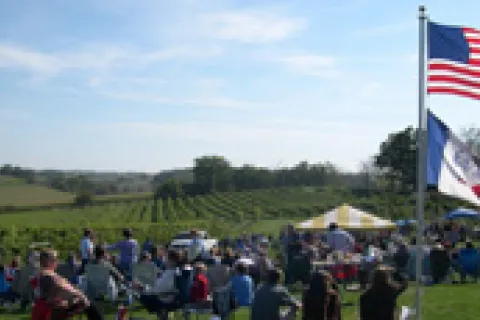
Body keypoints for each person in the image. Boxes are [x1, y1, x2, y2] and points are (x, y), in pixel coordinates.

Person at [37, 249, 104, 320]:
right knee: (90, 305)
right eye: (55, 259)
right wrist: (81, 296)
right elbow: (64, 288)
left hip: (54, 305)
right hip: (55, 308)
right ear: (47, 261)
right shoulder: (48, 274)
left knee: (89, 304)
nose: (57, 261)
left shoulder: (43, 273)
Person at [138, 250, 182, 317]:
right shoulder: (177, 271)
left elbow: (157, 289)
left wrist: (144, 288)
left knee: (143, 296)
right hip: (171, 297)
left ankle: (162, 313)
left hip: (165, 299)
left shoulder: (170, 273)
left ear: (171, 261)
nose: (164, 261)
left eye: (166, 259)